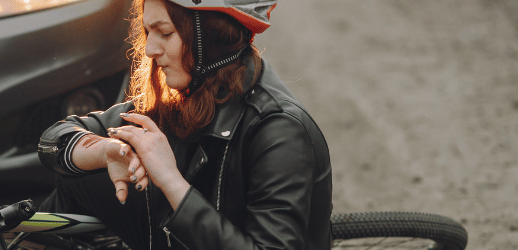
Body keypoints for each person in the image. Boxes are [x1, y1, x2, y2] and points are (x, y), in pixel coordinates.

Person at [36, 0, 332, 249]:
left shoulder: (279, 131)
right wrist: (104, 152)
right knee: (78, 176)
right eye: (148, 31)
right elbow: (54, 139)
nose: (150, 49)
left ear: (211, 38)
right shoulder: (189, 94)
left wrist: (171, 181)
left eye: (164, 33)